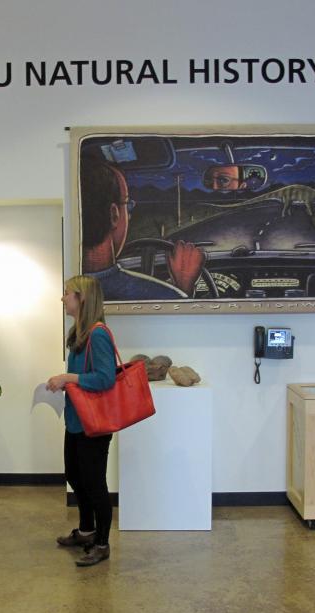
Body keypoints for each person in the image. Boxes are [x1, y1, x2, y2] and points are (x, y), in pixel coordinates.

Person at [46, 275, 116, 567]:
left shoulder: (98, 334)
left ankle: (102, 542)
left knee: (95, 483)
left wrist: (68, 378)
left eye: (67, 294)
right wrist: (66, 383)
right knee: (76, 476)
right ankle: (86, 531)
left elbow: (105, 378)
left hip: (93, 424)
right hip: (77, 420)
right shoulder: (80, 332)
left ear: (82, 298)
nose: (63, 299)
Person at [80, 157, 205, 301]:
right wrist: (183, 288)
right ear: (114, 214)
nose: (130, 216)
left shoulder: (72, 290)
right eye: (127, 205)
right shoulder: (163, 296)